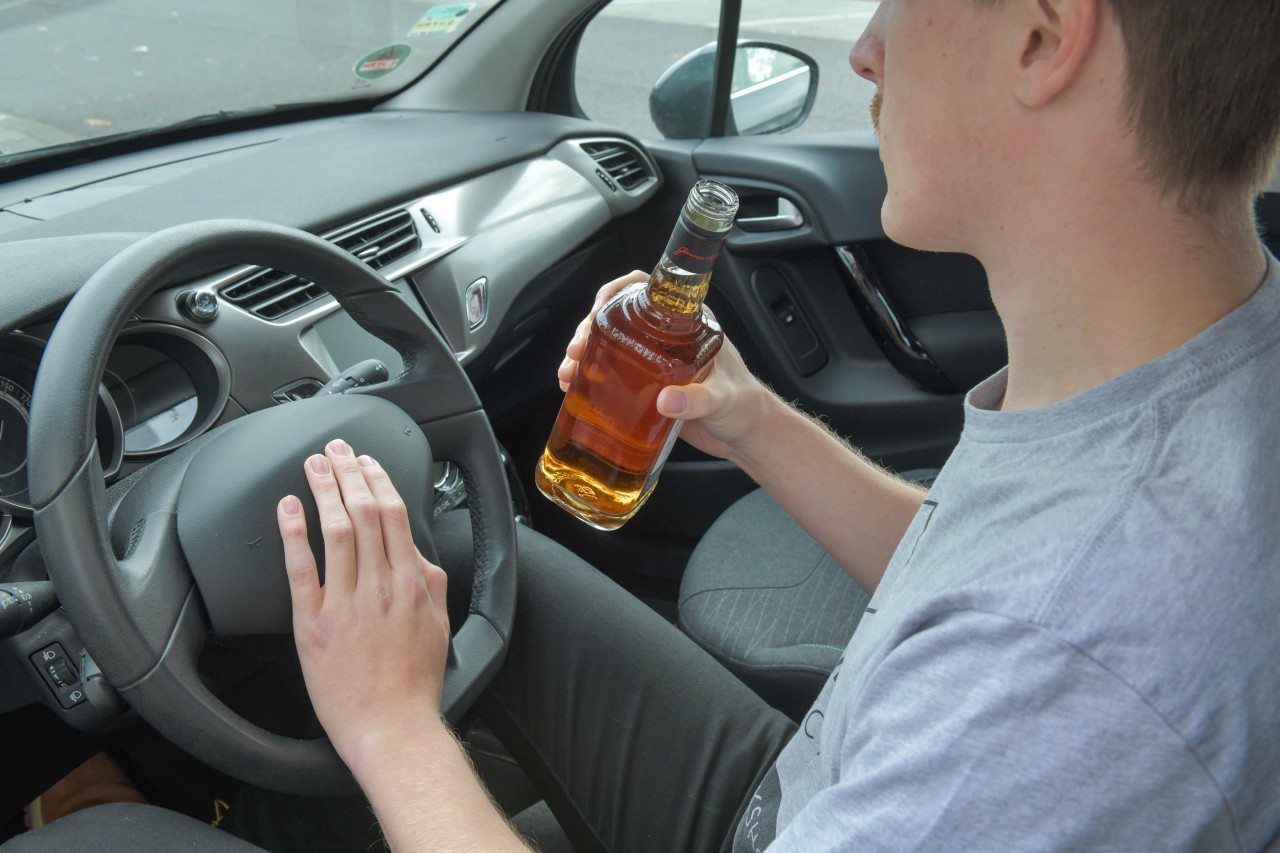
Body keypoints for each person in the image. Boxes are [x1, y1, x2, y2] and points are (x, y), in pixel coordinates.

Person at [11, 0, 1277, 850]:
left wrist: (389, 722)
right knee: (468, 556)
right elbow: (974, 574)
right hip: (812, 785)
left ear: (1042, 37)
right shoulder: (1196, 374)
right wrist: (748, 421)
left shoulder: (1078, 671)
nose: (869, 53)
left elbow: (1033, 629)